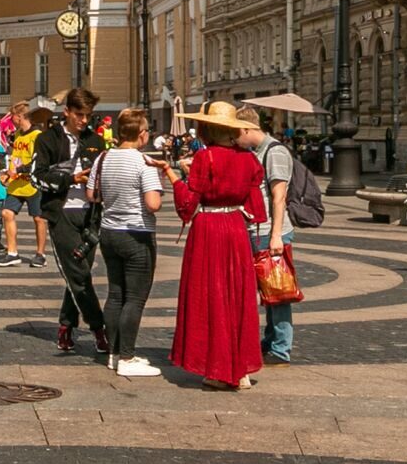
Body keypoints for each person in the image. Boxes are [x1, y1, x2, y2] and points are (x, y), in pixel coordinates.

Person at [166, 101, 265, 391]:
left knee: (210, 295)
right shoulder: (249, 159)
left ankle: (218, 368)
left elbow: (188, 202)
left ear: (207, 128)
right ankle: (240, 368)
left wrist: (174, 178)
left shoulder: (204, 157)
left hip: (209, 228)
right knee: (237, 296)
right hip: (235, 227)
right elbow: (255, 204)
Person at [34, 87, 108, 356]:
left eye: (88, 115)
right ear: (67, 112)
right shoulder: (47, 139)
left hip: (90, 215)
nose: (84, 120)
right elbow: (36, 176)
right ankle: (99, 329)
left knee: (80, 273)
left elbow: (104, 173)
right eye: (79, 114)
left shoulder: (96, 141)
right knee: (77, 274)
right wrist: (70, 179)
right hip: (61, 212)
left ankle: (65, 326)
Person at [92, 108, 163, 377]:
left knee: (115, 294)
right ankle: (127, 357)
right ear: (141, 134)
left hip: (109, 232)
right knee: (135, 298)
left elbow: (92, 194)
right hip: (137, 233)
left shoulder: (103, 157)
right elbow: (152, 204)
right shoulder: (144, 162)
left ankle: (113, 353)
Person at [237, 106, 297, 367]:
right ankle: (270, 339)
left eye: (235, 133)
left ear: (248, 129)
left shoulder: (275, 152)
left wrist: (275, 236)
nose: (234, 139)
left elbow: (279, 196)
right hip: (257, 229)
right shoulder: (254, 152)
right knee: (269, 290)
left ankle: (281, 348)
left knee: (278, 290)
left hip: (272, 231)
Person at [0, 102, 50, 268]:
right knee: (6, 213)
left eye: (12, 116)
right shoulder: (18, 134)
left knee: (39, 218)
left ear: (19, 116)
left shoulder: (37, 135)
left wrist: (18, 170)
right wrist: (7, 173)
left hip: (34, 184)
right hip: (16, 184)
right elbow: (15, 157)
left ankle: (40, 254)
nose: (10, 120)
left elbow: (38, 162)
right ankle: (12, 253)